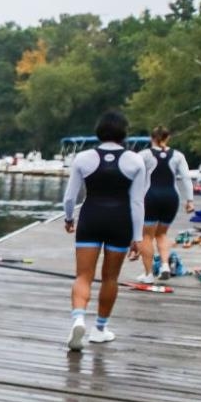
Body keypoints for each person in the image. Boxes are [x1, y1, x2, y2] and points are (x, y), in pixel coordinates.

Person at [62, 111, 148, 349]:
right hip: (120, 221)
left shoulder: (83, 158)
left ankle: (78, 318)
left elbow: (70, 197)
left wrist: (69, 218)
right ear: (124, 133)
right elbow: (137, 202)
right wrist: (138, 237)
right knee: (110, 278)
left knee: (83, 276)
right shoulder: (135, 161)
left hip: (91, 217)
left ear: (99, 131)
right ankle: (100, 329)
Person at [137, 126, 191, 280]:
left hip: (151, 197)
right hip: (171, 198)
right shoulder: (178, 155)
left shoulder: (144, 155)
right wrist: (190, 200)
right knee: (162, 234)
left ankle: (148, 274)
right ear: (168, 138)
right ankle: (165, 266)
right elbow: (186, 177)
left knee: (146, 236)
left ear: (151, 138)